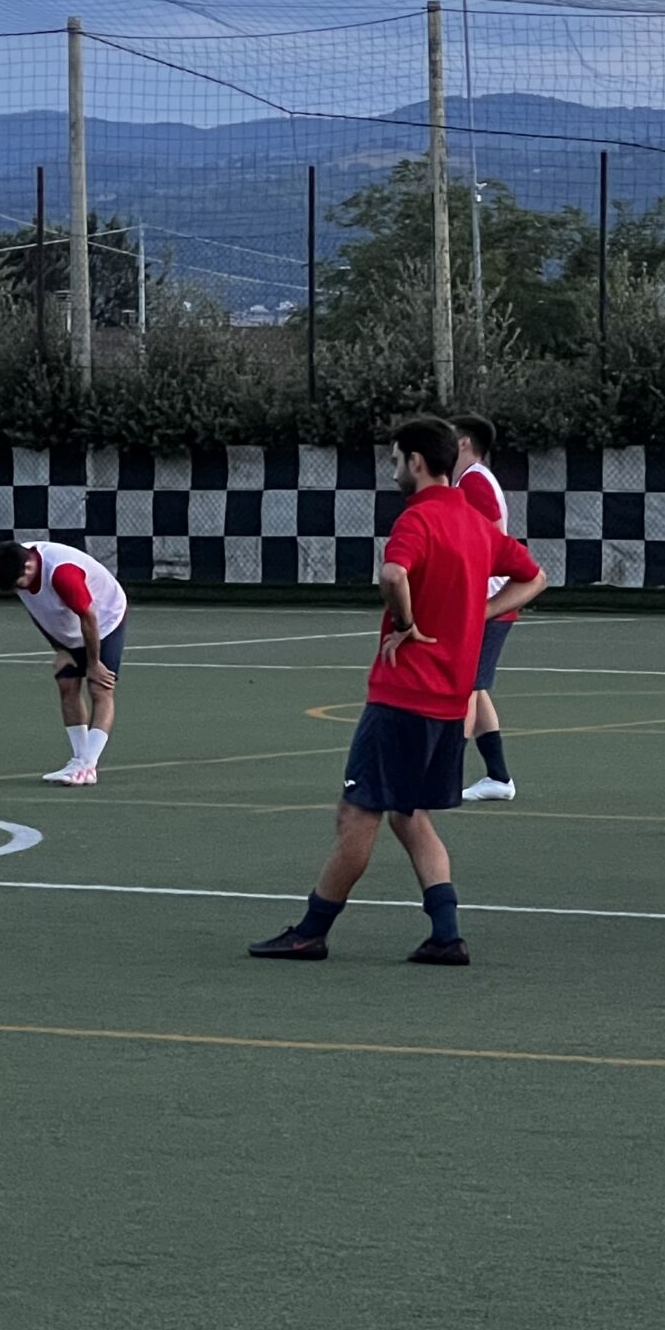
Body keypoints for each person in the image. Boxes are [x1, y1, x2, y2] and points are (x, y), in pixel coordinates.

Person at [250, 417, 545, 964]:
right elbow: (534, 577)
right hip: (451, 701)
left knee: (357, 814)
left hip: (403, 694)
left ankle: (312, 930)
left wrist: (406, 621)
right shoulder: (475, 522)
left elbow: (392, 576)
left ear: (414, 461)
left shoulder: (418, 519)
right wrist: (478, 617)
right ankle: (446, 934)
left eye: (393, 460)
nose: (392, 470)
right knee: (409, 814)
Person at [0, 539, 129, 786]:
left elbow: (88, 616)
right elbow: (39, 611)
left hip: (105, 619)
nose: (17, 590)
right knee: (67, 685)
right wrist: (60, 649)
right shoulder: (18, 569)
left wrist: (94, 663)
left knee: (100, 687)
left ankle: (88, 766)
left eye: (17, 585)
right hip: (72, 625)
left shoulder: (63, 573)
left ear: (29, 568)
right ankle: (79, 760)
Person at [452, 413, 523, 802]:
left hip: (487, 604)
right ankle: (498, 778)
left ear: (464, 442)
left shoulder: (474, 480)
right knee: (475, 690)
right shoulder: (470, 479)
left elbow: (490, 538)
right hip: (488, 602)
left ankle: (447, 777)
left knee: (463, 689)